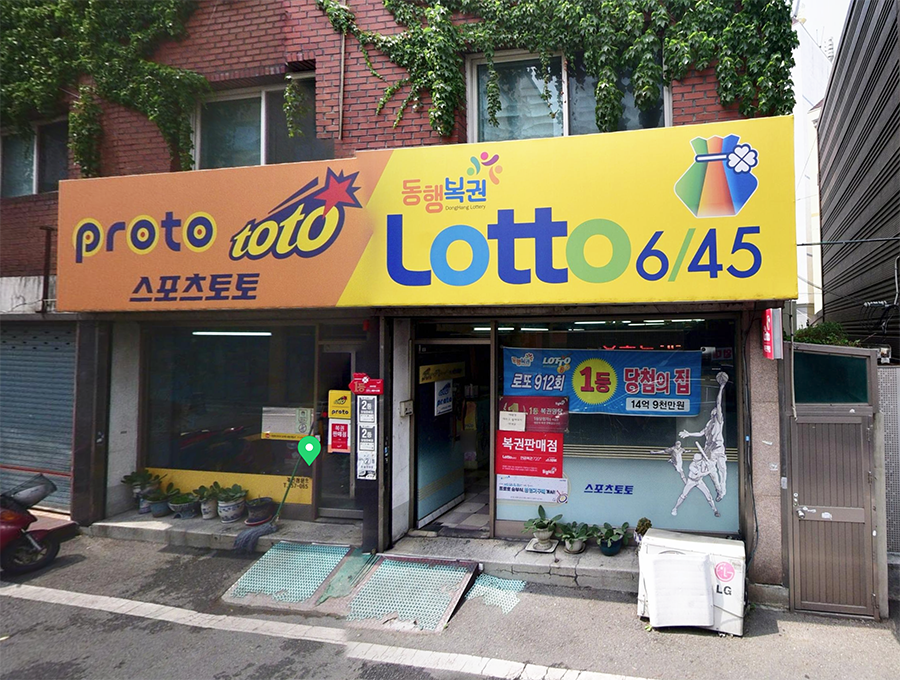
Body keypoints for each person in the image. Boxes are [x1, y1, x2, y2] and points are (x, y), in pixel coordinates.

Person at [679, 371, 728, 501]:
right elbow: (701, 433)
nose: (716, 410)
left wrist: (721, 388)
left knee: (722, 470)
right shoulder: (709, 423)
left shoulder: (719, 420)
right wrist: (689, 434)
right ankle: (719, 490)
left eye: (717, 410)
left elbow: (718, 403)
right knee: (712, 472)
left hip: (719, 448)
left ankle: (723, 489)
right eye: (714, 410)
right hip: (709, 450)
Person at [671, 443, 720, 517]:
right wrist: (710, 471)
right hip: (691, 481)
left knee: (709, 495)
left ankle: (715, 510)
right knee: (683, 496)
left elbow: (711, 464)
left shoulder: (704, 463)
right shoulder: (691, 466)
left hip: (699, 481)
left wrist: (712, 466)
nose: (696, 462)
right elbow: (700, 474)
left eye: (698, 461)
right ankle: (675, 509)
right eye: (695, 461)